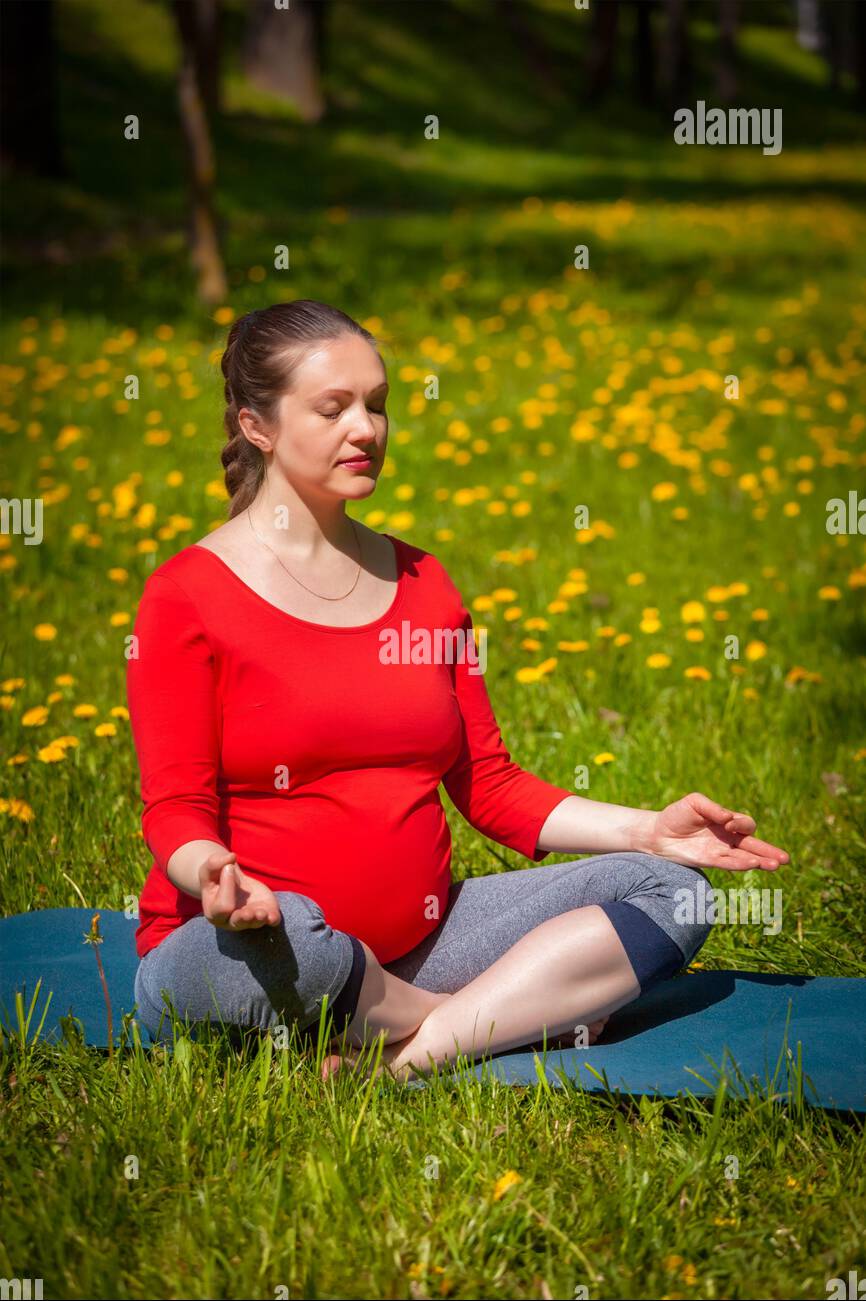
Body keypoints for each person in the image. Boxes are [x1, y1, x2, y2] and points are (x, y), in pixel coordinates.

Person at [126, 299, 789, 1083]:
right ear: (256, 426)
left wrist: (652, 831)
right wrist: (210, 875)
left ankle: (405, 1057)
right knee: (295, 938)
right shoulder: (186, 596)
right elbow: (176, 809)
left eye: (377, 405)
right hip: (248, 946)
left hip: (428, 939)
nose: (366, 429)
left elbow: (493, 787)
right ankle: (499, 1013)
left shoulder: (423, 582)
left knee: (673, 893)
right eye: (333, 408)